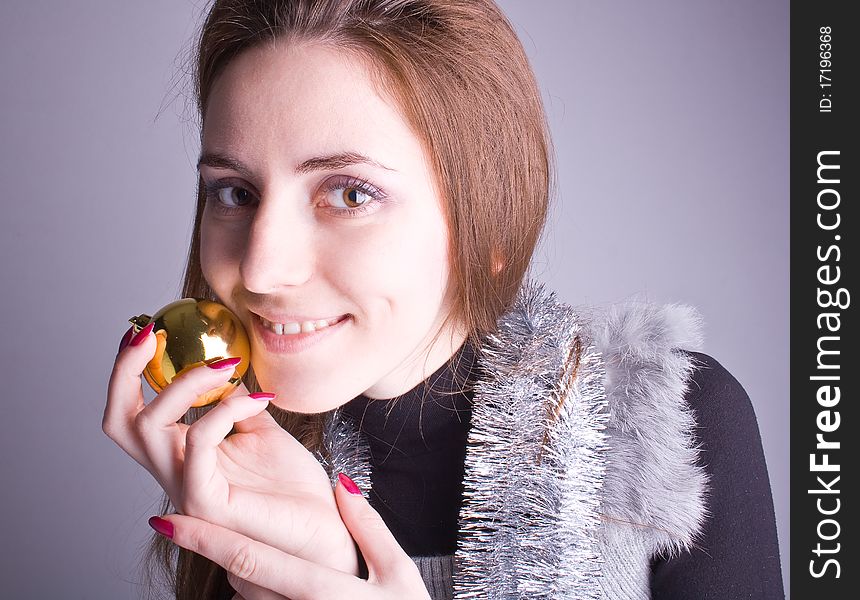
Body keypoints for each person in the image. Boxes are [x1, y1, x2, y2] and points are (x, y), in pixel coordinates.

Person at [103, 1, 784, 598]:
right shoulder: (240, 468)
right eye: (234, 192)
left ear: (486, 219)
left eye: (349, 193)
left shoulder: (668, 427)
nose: (260, 267)